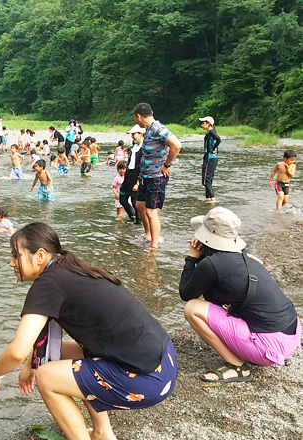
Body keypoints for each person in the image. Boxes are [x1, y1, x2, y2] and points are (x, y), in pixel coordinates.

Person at [0, 223, 177, 440]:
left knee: (46, 377)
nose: (11, 263)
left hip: (145, 379)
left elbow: (17, 351)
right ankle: (102, 433)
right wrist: (32, 363)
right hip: (164, 360)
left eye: (16, 256)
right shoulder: (68, 267)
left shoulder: (47, 284)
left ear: (40, 255)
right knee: (65, 353)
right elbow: (50, 336)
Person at [179, 207, 300, 383]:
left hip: (271, 346)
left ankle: (236, 366)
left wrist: (192, 257)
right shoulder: (248, 258)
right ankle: (249, 352)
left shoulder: (212, 265)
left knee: (192, 309)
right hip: (291, 334)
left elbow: (186, 294)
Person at [133, 103, 182, 251]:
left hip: (156, 176)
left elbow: (177, 145)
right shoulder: (148, 130)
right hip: (146, 175)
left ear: (138, 116)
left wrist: (167, 165)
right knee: (139, 205)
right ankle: (147, 233)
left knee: (151, 211)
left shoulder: (158, 129)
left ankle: (154, 245)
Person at [119, 125, 145, 224]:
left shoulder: (144, 148)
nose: (132, 136)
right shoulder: (134, 146)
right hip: (129, 174)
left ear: (141, 134)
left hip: (137, 175)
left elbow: (143, 166)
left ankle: (139, 220)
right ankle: (133, 216)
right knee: (123, 198)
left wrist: (138, 182)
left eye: (134, 134)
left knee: (135, 200)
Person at [199, 117, 221, 203]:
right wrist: (203, 161)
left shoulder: (212, 132)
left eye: (203, 123)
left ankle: (213, 199)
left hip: (211, 158)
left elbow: (219, 139)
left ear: (208, 124)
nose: (201, 124)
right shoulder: (209, 133)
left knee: (206, 180)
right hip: (208, 158)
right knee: (208, 180)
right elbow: (206, 149)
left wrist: (214, 148)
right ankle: (208, 199)